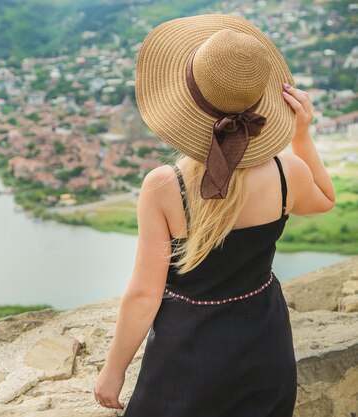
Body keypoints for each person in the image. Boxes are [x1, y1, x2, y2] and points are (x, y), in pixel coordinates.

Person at [93, 13, 335, 417]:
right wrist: (302, 136)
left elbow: (143, 295)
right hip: (265, 345)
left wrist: (113, 371)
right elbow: (325, 198)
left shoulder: (164, 186)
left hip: (188, 355)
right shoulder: (285, 171)